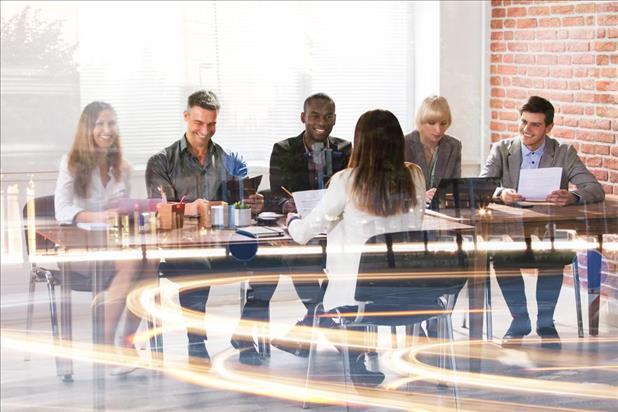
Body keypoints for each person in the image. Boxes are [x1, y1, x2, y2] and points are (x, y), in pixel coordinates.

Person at [286, 109, 426, 387]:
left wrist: (291, 220)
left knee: (313, 274)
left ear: (360, 143)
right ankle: (338, 343)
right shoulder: (416, 177)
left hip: (358, 296)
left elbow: (304, 234)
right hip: (410, 293)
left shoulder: (346, 181)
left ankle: (323, 330)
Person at [146, 90, 264, 365]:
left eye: (211, 124)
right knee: (198, 263)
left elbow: (237, 203)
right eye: (198, 123)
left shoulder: (226, 158)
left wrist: (251, 202)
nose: (205, 131)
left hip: (221, 244)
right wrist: (193, 207)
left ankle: (244, 334)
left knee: (271, 262)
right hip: (182, 248)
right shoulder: (161, 161)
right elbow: (157, 208)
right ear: (186, 117)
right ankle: (196, 342)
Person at [481, 95, 604, 349]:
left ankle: (546, 323)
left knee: (554, 254)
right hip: (511, 232)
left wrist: (572, 195)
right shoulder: (502, 149)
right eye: (524, 122)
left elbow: (593, 188)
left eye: (535, 125)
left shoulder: (563, 152)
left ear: (548, 128)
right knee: (502, 254)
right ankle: (520, 320)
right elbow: (483, 186)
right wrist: (500, 193)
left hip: (549, 232)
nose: (527, 129)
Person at [55, 101, 157, 375]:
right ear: (87, 128)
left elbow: (125, 208)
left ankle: (126, 341)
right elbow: (61, 210)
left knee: (152, 262)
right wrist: (99, 217)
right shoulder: (71, 163)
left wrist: (138, 213)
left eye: (111, 123)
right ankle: (106, 347)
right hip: (83, 244)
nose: (106, 129)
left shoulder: (122, 167)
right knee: (131, 262)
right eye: (99, 123)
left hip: (115, 240)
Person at [260, 93, 352, 356]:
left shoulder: (345, 149)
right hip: (301, 222)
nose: (322, 122)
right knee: (299, 255)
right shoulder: (283, 149)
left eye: (328, 116)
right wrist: (285, 206)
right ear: (303, 118)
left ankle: (313, 320)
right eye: (315, 115)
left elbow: (352, 190)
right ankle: (326, 320)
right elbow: (276, 194)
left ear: (335, 118)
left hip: (335, 225)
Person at [404, 95, 461, 203]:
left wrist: (443, 193)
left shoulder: (454, 146)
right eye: (431, 123)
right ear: (421, 122)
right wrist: (419, 196)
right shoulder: (404, 144)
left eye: (443, 123)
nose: (438, 130)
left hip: (441, 210)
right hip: (411, 210)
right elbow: (393, 190)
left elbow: (455, 186)